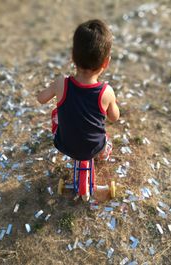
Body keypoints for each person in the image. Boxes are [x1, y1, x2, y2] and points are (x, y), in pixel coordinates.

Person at [37, 19, 119, 161]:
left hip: (64, 146)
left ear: (73, 57)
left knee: (56, 113)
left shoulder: (61, 83)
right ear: (106, 62)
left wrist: (52, 89)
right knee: (105, 137)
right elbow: (114, 117)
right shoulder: (107, 92)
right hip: (95, 148)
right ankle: (104, 153)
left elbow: (41, 99)